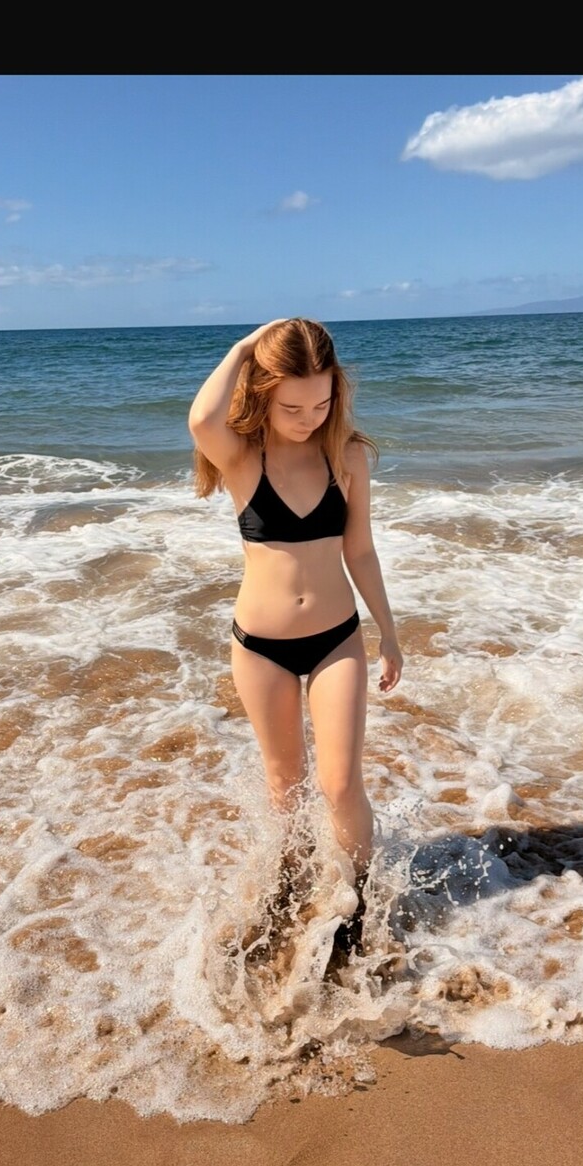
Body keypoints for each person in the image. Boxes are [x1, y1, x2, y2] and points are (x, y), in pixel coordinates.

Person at [188, 318, 403, 964]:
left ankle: (358, 906)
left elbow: (360, 551)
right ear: (263, 392)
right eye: (292, 407)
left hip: (337, 640)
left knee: (340, 785)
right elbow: (202, 419)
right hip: (261, 648)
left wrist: (389, 633)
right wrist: (243, 347)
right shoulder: (241, 457)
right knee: (285, 782)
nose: (308, 419)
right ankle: (287, 885)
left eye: (321, 404)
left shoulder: (347, 457)